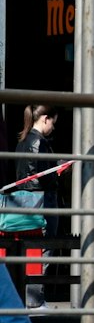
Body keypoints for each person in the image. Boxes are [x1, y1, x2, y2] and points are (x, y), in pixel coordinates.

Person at [1, 104, 59, 309]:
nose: (53, 127)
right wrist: (59, 170)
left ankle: (26, 298)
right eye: (53, 122)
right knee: (45, 249)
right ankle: (35, 299)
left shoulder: (22, 141)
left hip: (24, 201)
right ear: (45, 119)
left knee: (29, 250)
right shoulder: (40, 142)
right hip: (43, 201)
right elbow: (44, 177)